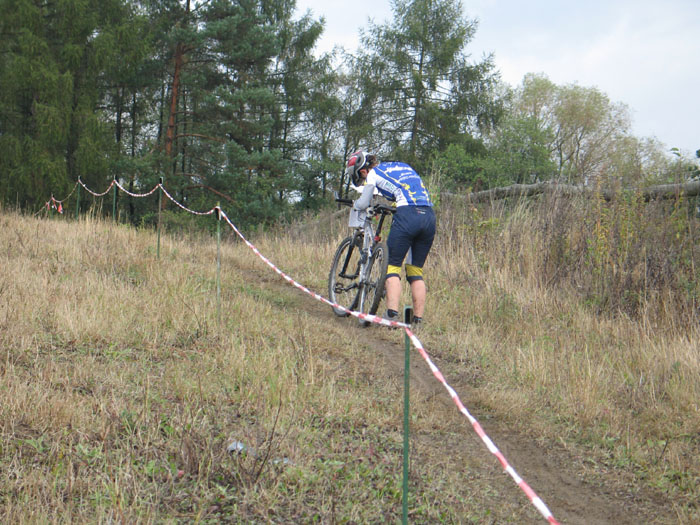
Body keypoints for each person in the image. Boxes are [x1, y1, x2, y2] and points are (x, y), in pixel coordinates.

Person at [344, 150, 436, 327]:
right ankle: (417, 320)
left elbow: (363, 202)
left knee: (392, 266)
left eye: (360, 176)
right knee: (415, 270)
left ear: (362, 171)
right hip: (429, 216)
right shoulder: (402, 166)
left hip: (408, 215)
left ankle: (391, 315)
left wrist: (355, 205)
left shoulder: (373, 174)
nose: (362, 178)